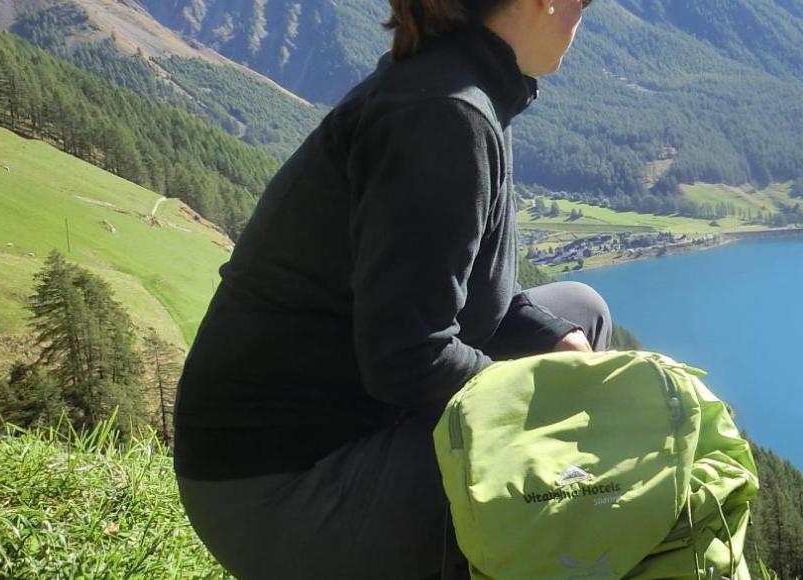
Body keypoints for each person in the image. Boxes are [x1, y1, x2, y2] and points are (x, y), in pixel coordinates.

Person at [171, 0, 604, 577]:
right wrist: (548, 404)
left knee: (579, 314)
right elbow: (407, 357)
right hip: (280, 489)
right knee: (561, 442)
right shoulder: (444, 115)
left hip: (334, 434)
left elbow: (477, 293)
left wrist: (555, 343)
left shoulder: (460, 84)